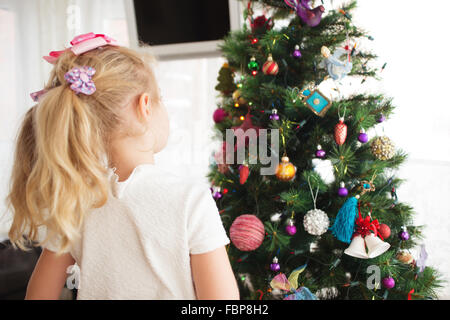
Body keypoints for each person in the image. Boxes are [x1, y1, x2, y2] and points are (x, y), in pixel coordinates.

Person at [6, 33, 239, 300]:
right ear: (145, 106)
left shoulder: (76, 200)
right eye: (159, 97)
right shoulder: (191, 200)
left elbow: (38, 296)